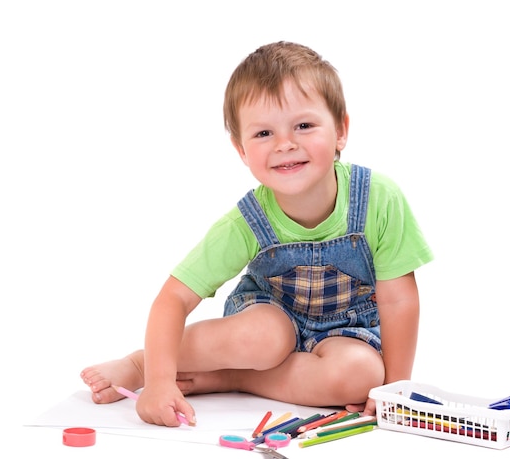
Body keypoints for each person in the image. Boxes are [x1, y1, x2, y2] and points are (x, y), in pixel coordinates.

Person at [80, 41, 433, 427]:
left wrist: (395, 391)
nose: (285, 144)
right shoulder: (248, 220)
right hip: (268, 317)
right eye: (264, 132)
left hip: (346, 333)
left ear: (341, 131)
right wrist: (159, 381)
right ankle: (140, 362)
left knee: (362, 377)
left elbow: (399, 302)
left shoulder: (379, 200)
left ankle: (234, 377)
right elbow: (173, 299)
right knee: (265, 338)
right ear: (242, 150)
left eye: (303, 125)